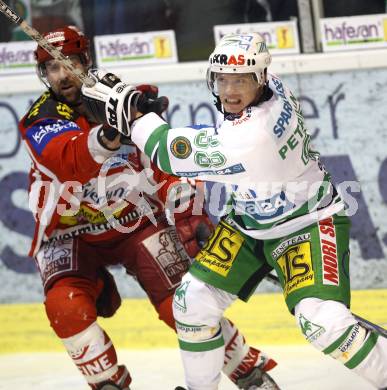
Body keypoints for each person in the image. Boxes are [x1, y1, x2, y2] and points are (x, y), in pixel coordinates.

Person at [82, 32, 387, 390]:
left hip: (306, 225)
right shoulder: (269, 85)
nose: (228, 91)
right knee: (191, 300)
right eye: (222, 79)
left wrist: (133, 115)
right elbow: (201, 140)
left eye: (240, 80)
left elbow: (168, 153)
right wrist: (142, 111)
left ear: (259, 79)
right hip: (248, 220)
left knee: (322, 322)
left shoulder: (255, 135)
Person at [19, 26, 281, 390]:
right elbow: (66, 161)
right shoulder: (39, 118)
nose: (62, 75)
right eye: (53, 68)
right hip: (69, 233)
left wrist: (190, 215)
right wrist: (111, 134)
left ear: (86, 62)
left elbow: (163, 162)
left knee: (184, 304)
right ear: (43, 75)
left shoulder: (124, 100)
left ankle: (248, 372)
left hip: (134, 223)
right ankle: (108, 383)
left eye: (70, 63)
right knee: (66, 307)